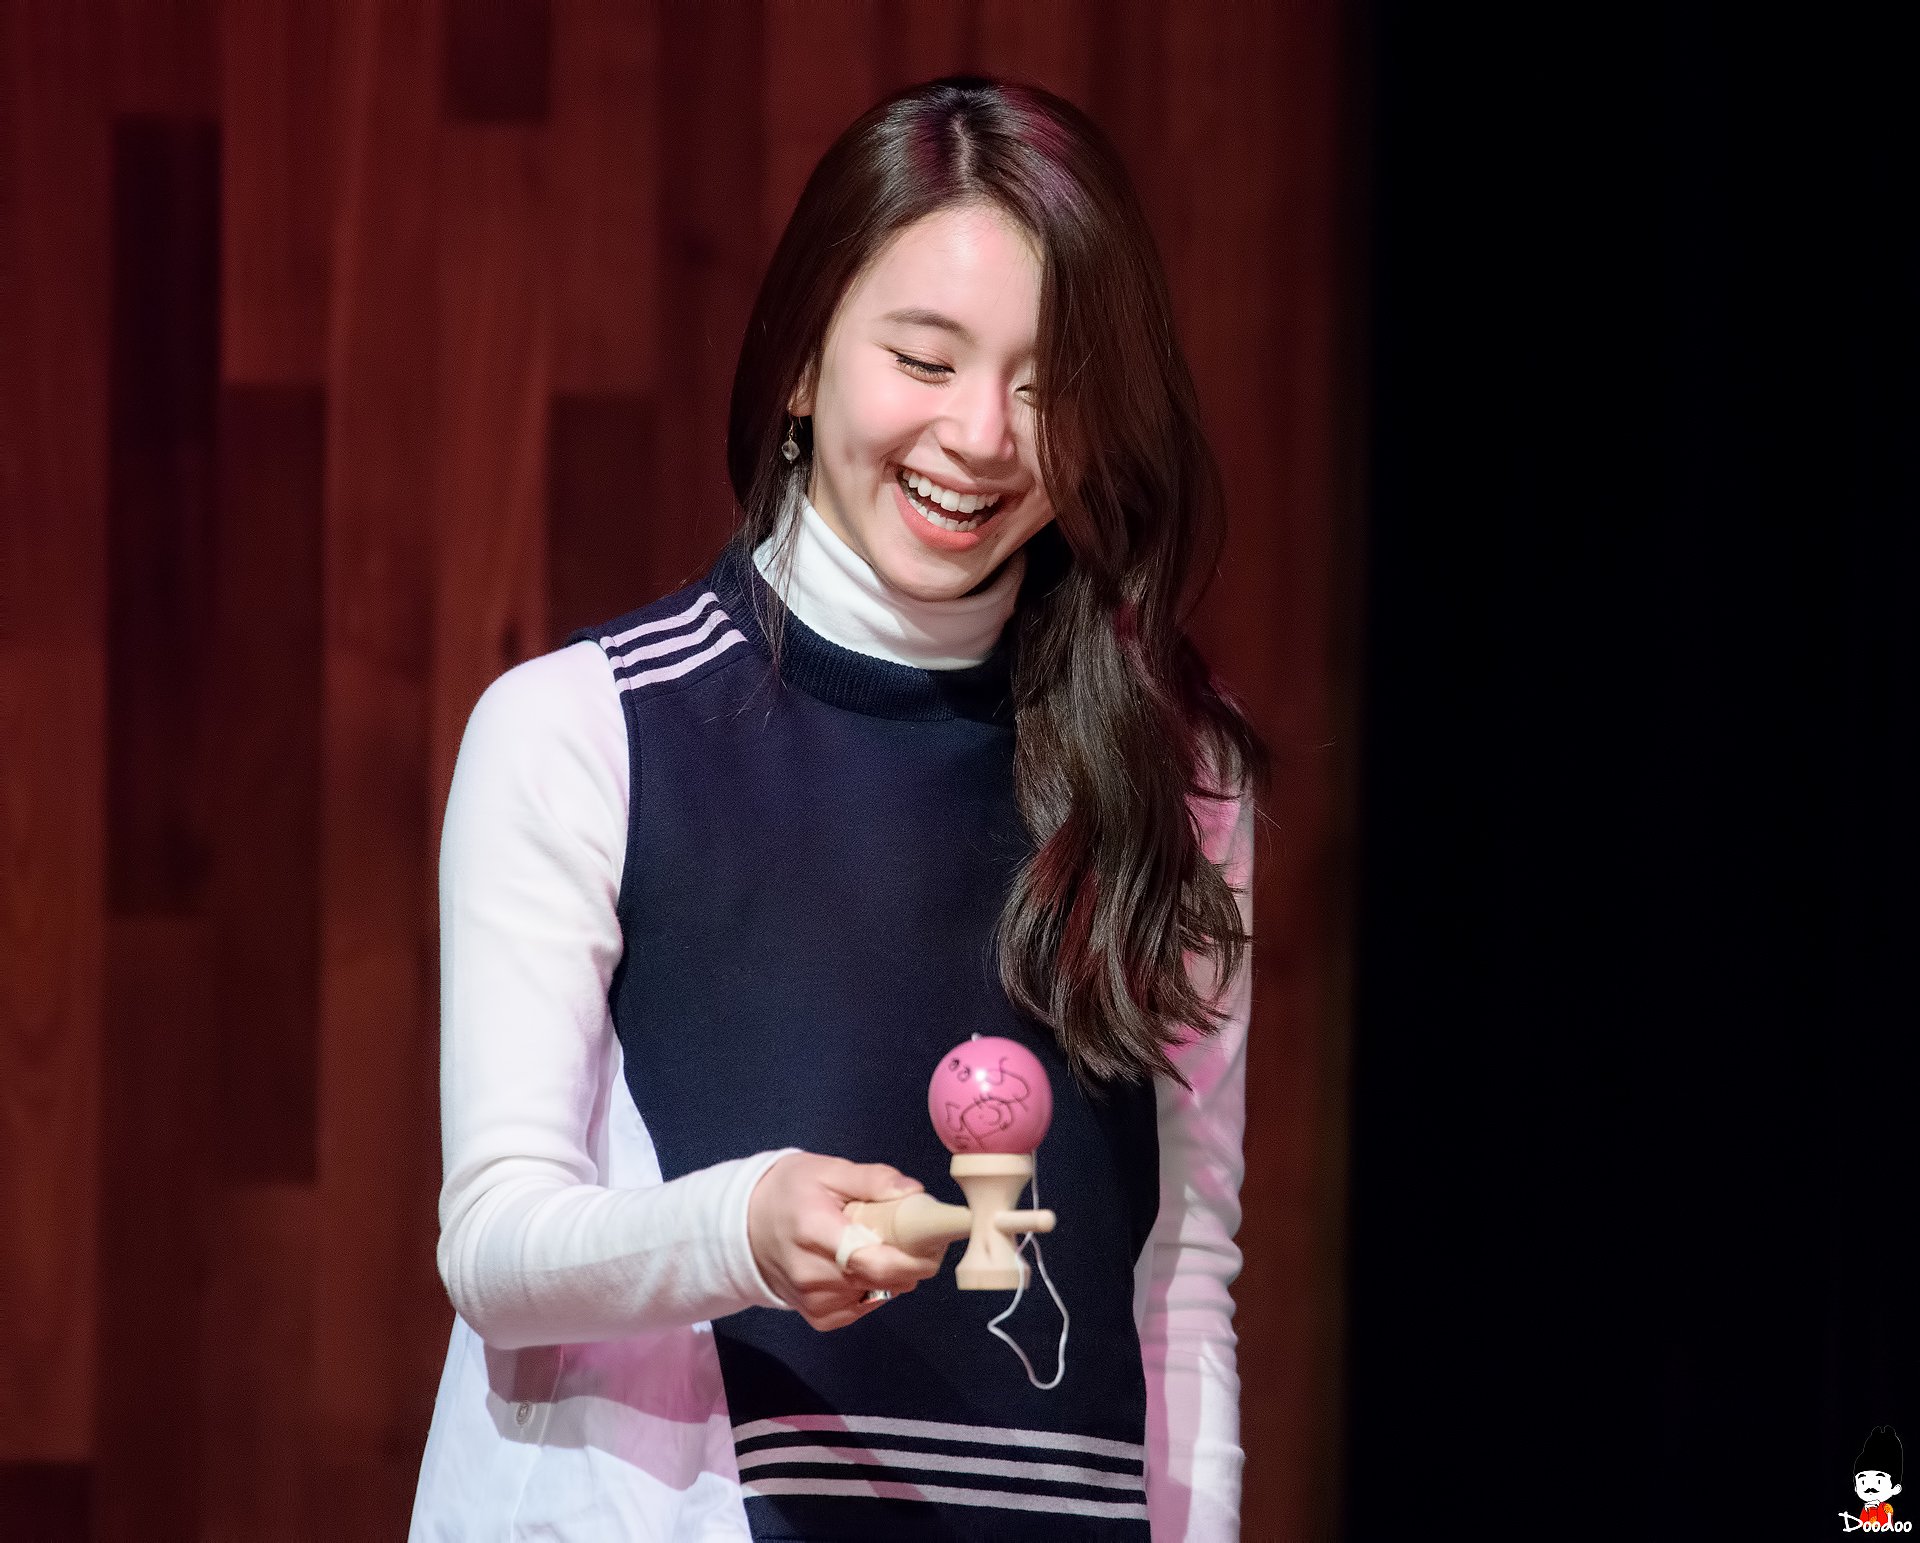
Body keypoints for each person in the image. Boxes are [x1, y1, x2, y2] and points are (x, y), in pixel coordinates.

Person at [409, 74, 1268, 1542]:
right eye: (924, 360)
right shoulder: (585, 730)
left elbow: (1181, 1271)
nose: (983, 436)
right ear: (804, 360)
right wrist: (743, 1227)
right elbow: (494, 1249)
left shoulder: (1175, 774)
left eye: (1048, 384)